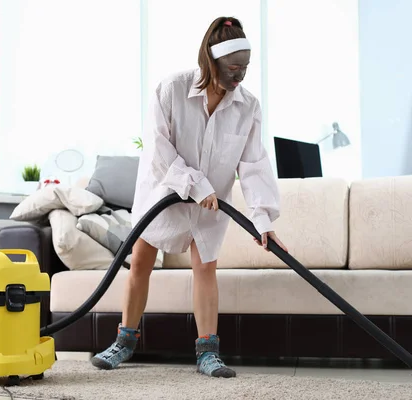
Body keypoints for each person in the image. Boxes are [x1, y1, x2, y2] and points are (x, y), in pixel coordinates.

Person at [90, 16, 287, 378]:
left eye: (245, 68)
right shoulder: (172, 89)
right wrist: (195, 184)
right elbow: (159, 149)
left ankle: (208, 353)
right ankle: (124, 342)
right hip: (164, 193)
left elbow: (255, 163)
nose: (239, 76)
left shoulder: (248, 106)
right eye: (232, 68)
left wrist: (263, 219)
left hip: (211, 204)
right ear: (211, 62)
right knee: (141, 263)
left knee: (206, 268)